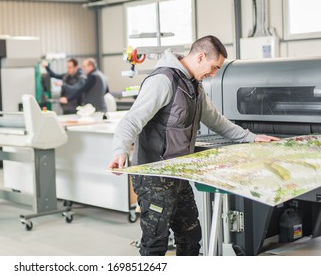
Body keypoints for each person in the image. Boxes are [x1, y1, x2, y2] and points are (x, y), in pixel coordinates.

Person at [108, 35, 279, 256]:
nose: (214, 74)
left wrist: (251, 137)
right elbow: (132, 120)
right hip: (154, 176)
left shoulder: (194, 85)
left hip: (179, 174)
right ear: (200, 57)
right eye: (214, 67)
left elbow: (216, 121)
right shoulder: (163, 81)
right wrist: (119, 150)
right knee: (155, 243)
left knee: (190, 238)